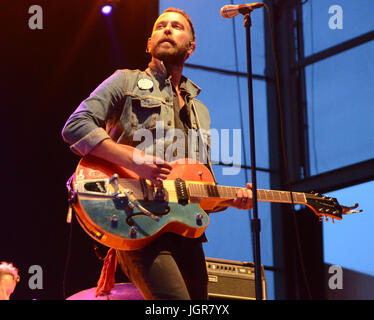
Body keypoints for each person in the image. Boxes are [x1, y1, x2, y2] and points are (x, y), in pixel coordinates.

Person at [62, 7, 253, 300]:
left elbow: (195, 183)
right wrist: (134, 160)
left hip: (185, 230)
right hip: (135, 218)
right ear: (148, 43)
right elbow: (75, 126)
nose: (166, 29)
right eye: (160, 25)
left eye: (176, 26)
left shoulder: (200, 111)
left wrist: (231, 199)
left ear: (191, 47)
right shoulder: (124, 81)